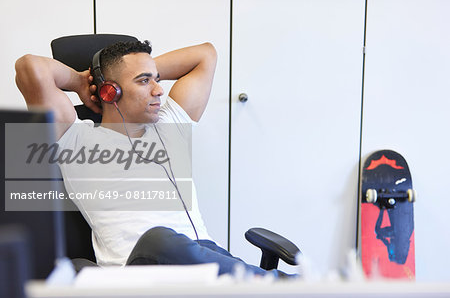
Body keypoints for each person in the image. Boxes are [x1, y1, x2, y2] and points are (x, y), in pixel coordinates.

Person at [15, 40, 286, 278]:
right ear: (111, 92)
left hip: (204, 257)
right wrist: (82, 82)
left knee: (199, 251)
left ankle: (267, 283)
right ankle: (277, 283)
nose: (159, 90)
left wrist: (141, 68)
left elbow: (206, 54)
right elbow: (30, 68)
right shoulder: (74, 137)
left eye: (156, 79)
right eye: (145, 81)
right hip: (137, 268)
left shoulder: (171, 124)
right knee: (161, 239)